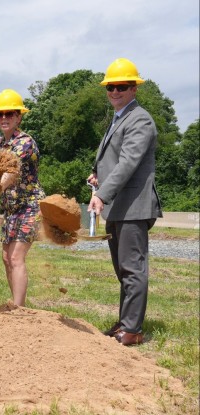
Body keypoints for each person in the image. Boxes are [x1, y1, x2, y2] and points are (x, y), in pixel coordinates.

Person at [88, 58, 162, 346]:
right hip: (120, 206)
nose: (115, 91)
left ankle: (131, 330)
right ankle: (125, 322)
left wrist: (103, 193)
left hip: (133, 205)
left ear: (134, 89)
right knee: (123, 268)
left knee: (132, 268)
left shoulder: (140, 119)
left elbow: (129, 162)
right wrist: (98, 176)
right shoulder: (119, 118)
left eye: (122, 86)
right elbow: (114, 161)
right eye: (111, 87)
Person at [0, 89, 45, 307]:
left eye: (9, 114)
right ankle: (15, 304)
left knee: (16, 257)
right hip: (11, 209)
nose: (3, 118)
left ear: (19, 116)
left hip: (30, 206)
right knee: (5, 258)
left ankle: (19, 310)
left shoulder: (25, 142)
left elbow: (11, 171)